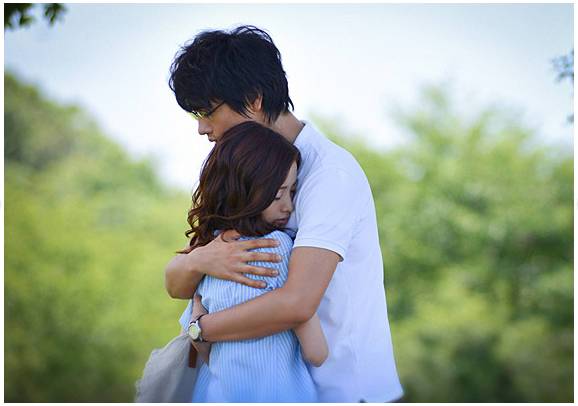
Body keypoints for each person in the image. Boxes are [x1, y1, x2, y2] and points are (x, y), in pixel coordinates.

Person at [166, 25, 404, 402]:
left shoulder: (329, 174)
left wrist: (201, 329)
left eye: (208, 112)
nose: (201, 128)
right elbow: (178, 282)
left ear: (254, 99)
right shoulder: (244, 171)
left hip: (339, 391)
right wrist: (200, 260)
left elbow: (297, 303)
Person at [176, 121, 327, 402]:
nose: (288, 206)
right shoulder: (280, 249)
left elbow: (201, 346)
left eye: (292, 192)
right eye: (278, 194)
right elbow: (316, 353)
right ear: (245, 191)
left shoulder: (209, 253)